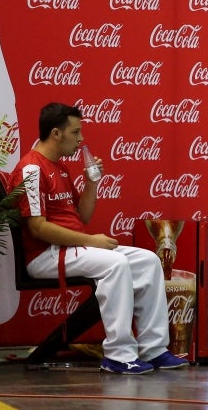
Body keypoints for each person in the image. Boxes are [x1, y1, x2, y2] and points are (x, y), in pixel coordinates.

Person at [10, 102, 188, 375]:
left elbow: (83, 216)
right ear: (56, 134)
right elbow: (37, 228)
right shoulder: (31, 169)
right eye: (76, 132)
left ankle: (153, 349)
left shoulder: (60, 168)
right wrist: (91, 241)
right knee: (114, 264)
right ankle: (118, 355)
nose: (81, 139)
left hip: (72, 248)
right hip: (46, 254)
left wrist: (92, 183)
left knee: (148, 260)